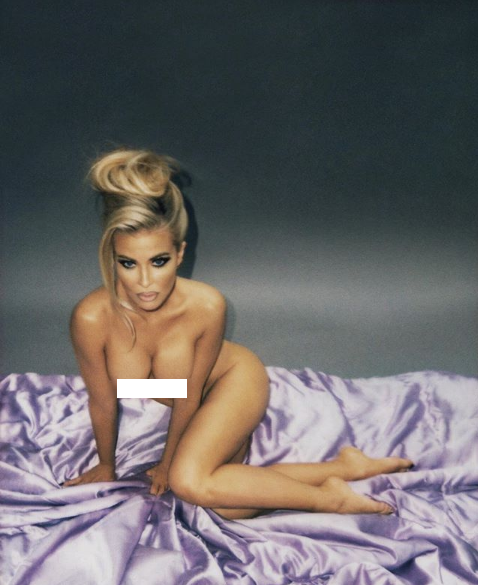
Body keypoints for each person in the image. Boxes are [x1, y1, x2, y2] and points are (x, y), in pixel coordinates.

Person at [62, 147, 414, 520]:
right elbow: (103, 401)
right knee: (224, 503)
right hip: (189, 397)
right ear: (111, 257)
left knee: (189, 482)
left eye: (159, 261)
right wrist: (106, 465)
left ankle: (331, 499)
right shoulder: (91, 318)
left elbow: (188, 393)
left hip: (232, 382)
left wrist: (169, 463)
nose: (145, 281)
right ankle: (344, 469)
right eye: (128, 263)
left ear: (179, 254)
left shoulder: (205, 306)